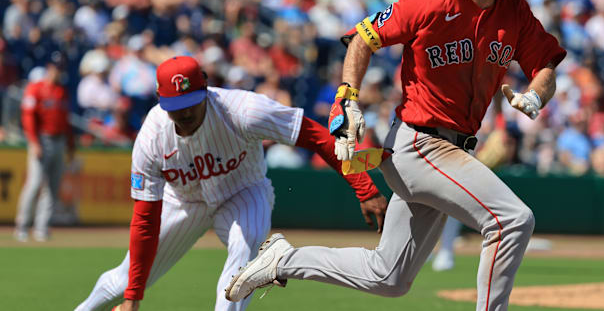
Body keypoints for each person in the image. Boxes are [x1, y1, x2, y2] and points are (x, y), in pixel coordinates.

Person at [226, 0, 566, 311]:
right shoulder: (428, 4)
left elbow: (545, 65)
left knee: (387, 277)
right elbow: (361, 39)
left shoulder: (515, 12)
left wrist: (537, 96)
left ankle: (283, 260)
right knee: (512, 220)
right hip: (420, 145)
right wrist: (347, 97)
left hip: (452, 151)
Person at [75, 56, 387, 311]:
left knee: (243, 254)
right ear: (159, 100)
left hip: (243, 191)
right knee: (123, 280)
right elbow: (145, 221)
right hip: (183, 201)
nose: (183, 112)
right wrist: (133, 297)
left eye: (190, 102)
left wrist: (365, 187)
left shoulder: (244, 111)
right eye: (175, 106)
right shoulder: (151, 138)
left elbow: (316, 136)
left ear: (206, 88)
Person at [15, 51, 75, 242]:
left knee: (53, 187)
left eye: (60, 68)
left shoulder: (62, 91)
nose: (58, 71)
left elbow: (66, 122)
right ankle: (22, 225)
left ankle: (42, 227)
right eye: (56, 68)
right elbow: (28, 117)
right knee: (34, 183)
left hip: (59, 141)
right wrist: (33, 142)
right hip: (42, 139)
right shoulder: (36, 88)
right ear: (49, 68)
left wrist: (70, 145)